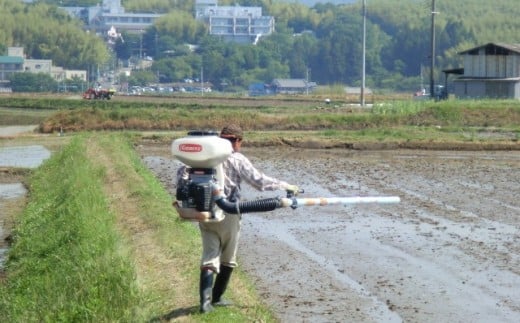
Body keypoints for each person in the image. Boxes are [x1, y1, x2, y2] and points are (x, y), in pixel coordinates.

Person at [176, 124, 299, 313]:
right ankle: (216, 298)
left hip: (204, 213)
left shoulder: (198, 159)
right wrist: (286, 186)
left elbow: (182, 180)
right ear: (238, 141)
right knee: (228, 258)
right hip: (229, 212)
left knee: (210, 255)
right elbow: (259, 182)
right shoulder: (236, 158)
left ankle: (205, 303)